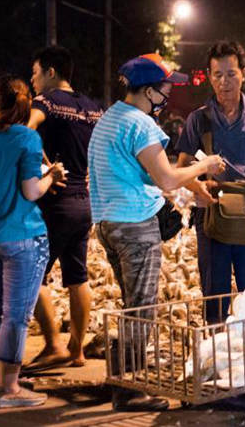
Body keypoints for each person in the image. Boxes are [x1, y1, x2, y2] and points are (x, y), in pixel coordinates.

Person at [88, 53, 224, 411]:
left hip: (108, 224)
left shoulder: (110, 119)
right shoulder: (142, 124)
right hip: (135, 226)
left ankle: (124, 379)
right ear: (148, 91)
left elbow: (149, 171)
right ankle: (130, 392)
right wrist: (205, 164)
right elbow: (164, 179)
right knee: (141, 308)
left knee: (131, 305)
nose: (168, 94)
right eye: (165, 88)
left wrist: (195, 187)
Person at [0, 75, 66, 408]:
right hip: (22, 236)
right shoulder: (27, 138)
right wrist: (51, 175)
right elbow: (31, 190)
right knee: (15, 316)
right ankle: (11, 390)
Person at [175, 41, 245, 324]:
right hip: (212, 218)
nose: (224, 82)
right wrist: (197, 186)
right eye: (218, 75)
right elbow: (182, 166)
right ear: (209, 77)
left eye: (231, 74)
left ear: (244, 74)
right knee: (215, 298)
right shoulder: (198, 120)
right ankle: (217, 357)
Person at [25, 46, 103, 370]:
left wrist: (44, 166)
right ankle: (77, 349)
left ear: (51, 73)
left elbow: (25, 132)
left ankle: (54, 344)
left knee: (32, 274)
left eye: (35, 72)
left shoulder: (46, 102)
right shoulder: (93, 108)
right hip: (85, 204)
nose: (32, 80)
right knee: (77, 276)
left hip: (55, 203)